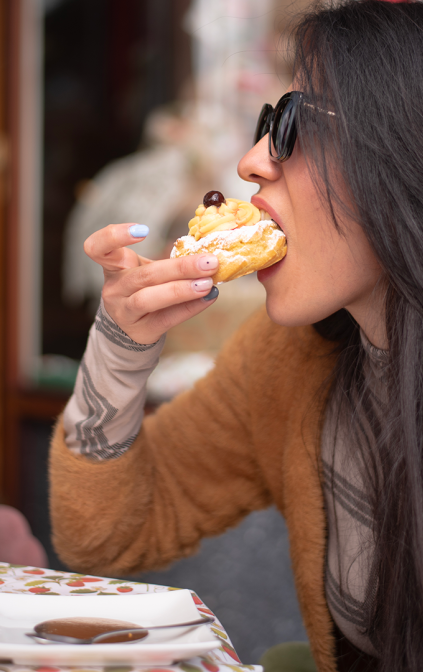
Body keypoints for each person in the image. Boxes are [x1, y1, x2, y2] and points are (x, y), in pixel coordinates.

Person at [48, 0, 423, 669]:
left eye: (297, 125)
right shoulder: (289, 358)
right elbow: (104, 536)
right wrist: (119, 350)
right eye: (266, 121)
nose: (251, 162)